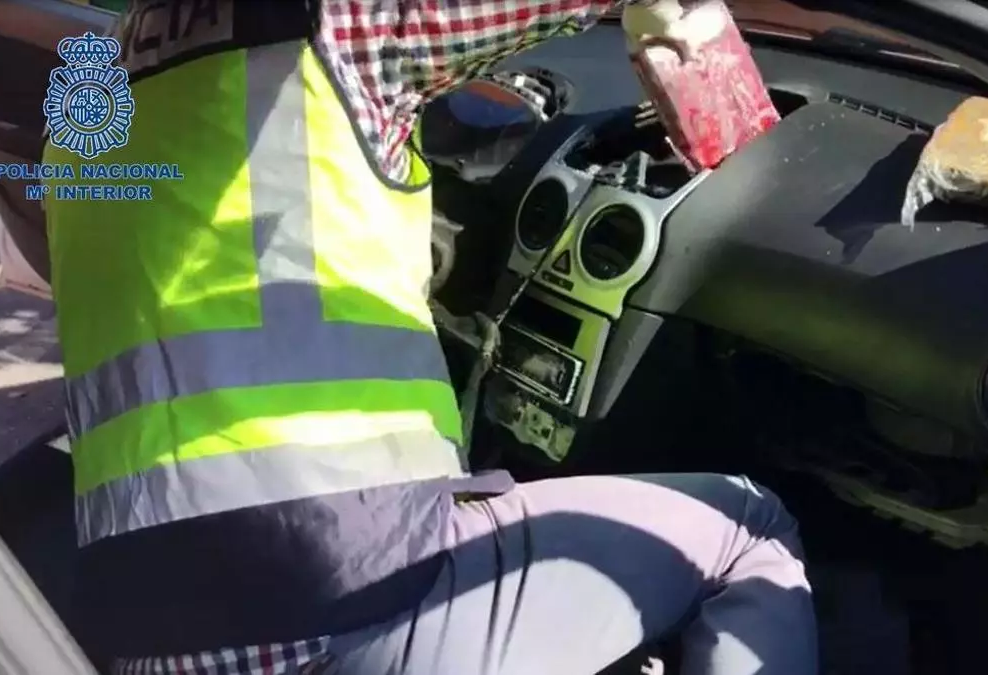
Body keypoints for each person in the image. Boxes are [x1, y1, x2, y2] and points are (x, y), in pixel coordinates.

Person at [43, 1, 818, 673]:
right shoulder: (332, 30)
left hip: (139, 618)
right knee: (748, 533)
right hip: (345, 580)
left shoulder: (87, 93)